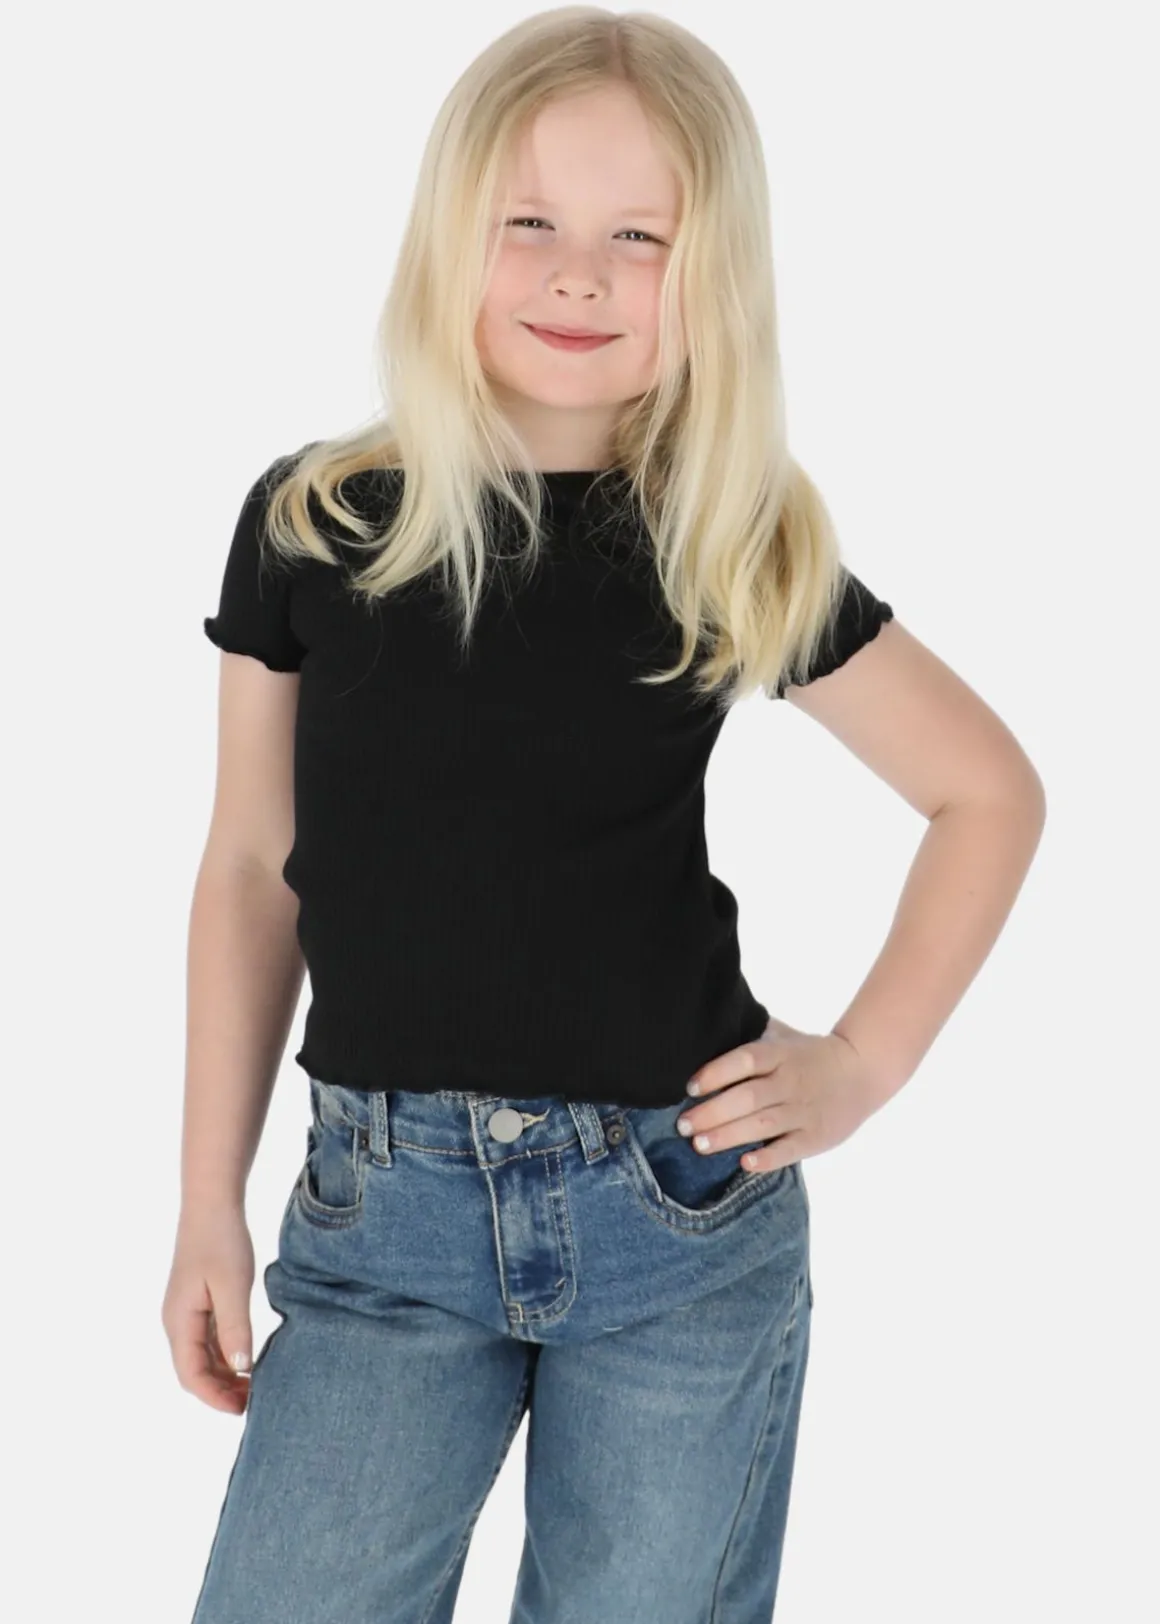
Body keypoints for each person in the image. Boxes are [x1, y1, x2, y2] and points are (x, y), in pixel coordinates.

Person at [165, 10, 1047, 1622]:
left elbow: (984, 792)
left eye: (640, 237)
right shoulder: (315, 524)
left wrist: (863, 1063)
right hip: (382, 1221)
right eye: (531, 223)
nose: (579, 277)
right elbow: (247, 868)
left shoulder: (728, 538)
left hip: (677, 1223)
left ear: (715, 275)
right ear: (450, 233)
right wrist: (202, 1200)